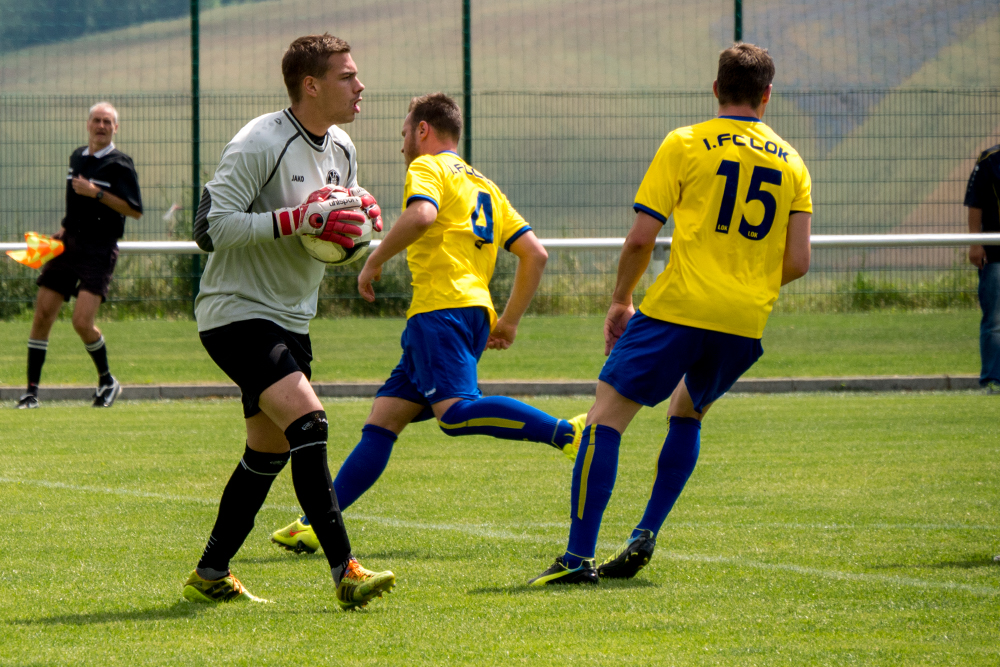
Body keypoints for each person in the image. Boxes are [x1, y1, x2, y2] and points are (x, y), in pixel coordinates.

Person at [529, 43, 813, 585]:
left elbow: (641, 238)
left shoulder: (686, 143)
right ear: (767, 95)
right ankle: (646, 532)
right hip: (745, 320)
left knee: (603, 419)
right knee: (687, 412)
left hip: (680, 308)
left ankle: (577, 558)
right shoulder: (792, 162)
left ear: (715, 89)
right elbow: (798, 261)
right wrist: (745, 283)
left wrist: (620, 299)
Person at [270, 92, 585, 555]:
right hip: (466, 311)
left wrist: (373, 260)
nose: (402, 146)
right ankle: (314, 523)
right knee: (383, 421)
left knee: (455, 415)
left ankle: (567, 433)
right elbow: (534, 254)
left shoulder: (427, 168)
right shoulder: (486, 186)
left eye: (403, 134)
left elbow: (422, 215)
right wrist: (509, 321)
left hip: (442, 311)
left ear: (422, 131)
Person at [182, 34, 394, 610]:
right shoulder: (260, 141)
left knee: (267, 452)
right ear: (311, 85)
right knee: (310, 422)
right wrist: (296, 217)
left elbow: (330, 231)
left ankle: (211, 572)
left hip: (293, 319)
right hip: (235, 312)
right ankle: (344, 569)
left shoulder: (343, 147)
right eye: (348, 76)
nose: (360, 86)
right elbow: (210, 229)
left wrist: (360, 222)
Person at [17, 102, 143, 410]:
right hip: (68, 245)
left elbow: (135, 210)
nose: (101, 125)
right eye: (96, 120)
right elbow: (73, 203)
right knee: (42, 314)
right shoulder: (77, 156)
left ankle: (108, 381)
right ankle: (31, 392)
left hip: (99, 249)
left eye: (107, 121)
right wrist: (62, 230)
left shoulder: (120, 163)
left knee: (81, 322)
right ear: (88, 124)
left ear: (116, 128)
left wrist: (96, 192)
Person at [964, 144, 1000, 395]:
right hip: (995, 253)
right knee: (995, 319)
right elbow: (975, 203)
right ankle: (992, 379)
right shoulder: (989, 160)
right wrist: (976, 243)